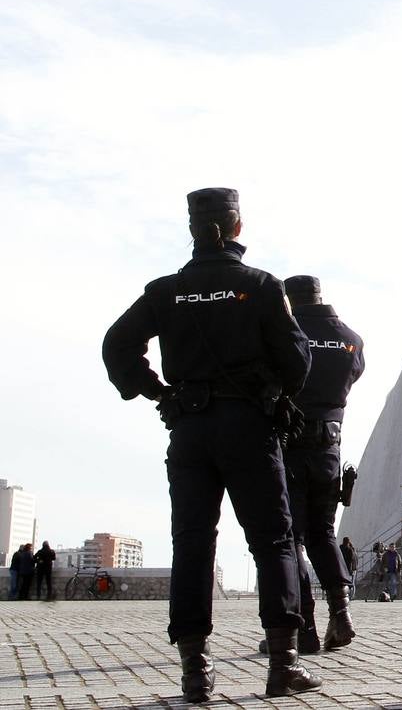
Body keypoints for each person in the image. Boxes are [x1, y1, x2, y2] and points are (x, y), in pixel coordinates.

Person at [101, 187, 319, 702]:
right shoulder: (261, 286)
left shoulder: (165, 291)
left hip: (191, 430)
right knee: (273, 541)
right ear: (237, 227)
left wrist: (159, 392)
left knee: (192, 544)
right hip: (249, 427)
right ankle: (283, 664)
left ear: (193, 230)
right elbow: (298, 363)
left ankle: (195, 670)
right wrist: (271, 387)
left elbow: (116, 345)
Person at [281, 275, 364, 648]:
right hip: (330, 446)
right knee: (323, 533)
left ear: (289, 299)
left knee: (291, 538)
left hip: (289, 444)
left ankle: (304, 628)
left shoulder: (286, 331)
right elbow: (352, 377)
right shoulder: (351, 339)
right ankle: (341, 614)